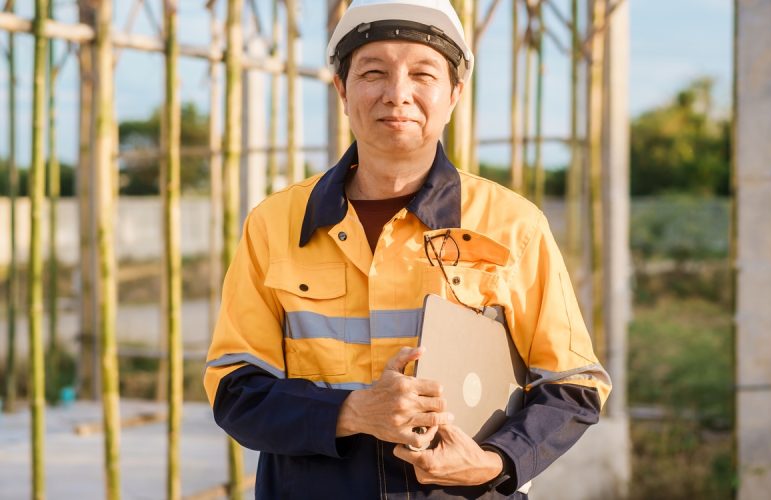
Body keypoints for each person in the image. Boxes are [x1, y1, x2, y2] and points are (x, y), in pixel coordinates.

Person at [204, 0, 611, 497]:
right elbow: (236, 390)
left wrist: (493, 462)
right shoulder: (275, 224)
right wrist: (353, 412)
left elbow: (574, 387)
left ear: (455, 93)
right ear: (342, 89)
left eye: (423, 73)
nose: (397, 94)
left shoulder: (513, 225)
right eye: (373, 72)